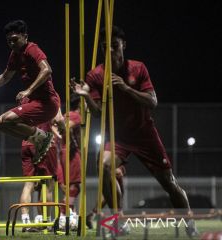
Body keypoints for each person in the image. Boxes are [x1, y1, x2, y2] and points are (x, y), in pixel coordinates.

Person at [71, 26, 198, 237]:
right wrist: (85, 96)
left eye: (114, 46)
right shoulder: (95, 75)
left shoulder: (137, 68)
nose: (110, 51)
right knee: (102, 166)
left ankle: (189, 221)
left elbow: (153, 101)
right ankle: (119, 220)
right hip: (118, 136)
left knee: (169, 183)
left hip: (144, 134)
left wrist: (126, 88)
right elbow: (97, 113)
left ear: (123, 46)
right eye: (105, 47)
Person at [0, 20, 60, 164]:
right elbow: (5, 76)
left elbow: (47, 69)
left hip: (47, 103)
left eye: (15, 40)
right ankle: (40, 138)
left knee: (6, 120)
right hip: (35, 103)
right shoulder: (15, 54)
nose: (12, 44)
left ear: (25, 36)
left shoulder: (32, 48)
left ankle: (43, 138)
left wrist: (28, 90)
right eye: (8, 41)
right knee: (0, 123)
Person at [19, 120, 57, 232]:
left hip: (26, 143)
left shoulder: (23, 103)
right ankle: (47, 222)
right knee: (48, 185)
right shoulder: (49, 102)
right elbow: (58, 120)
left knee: (28, 184)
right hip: (43, 141)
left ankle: (25, 221)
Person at [55, 94, 81, 215]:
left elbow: (57, 126)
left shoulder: (66, 115)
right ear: (81, 104)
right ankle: (63, 212)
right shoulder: (75, 116)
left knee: (68, 187)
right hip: (70, 152)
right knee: (75, 187)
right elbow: (65, 127)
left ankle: (69, 212)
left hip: (62, 151)